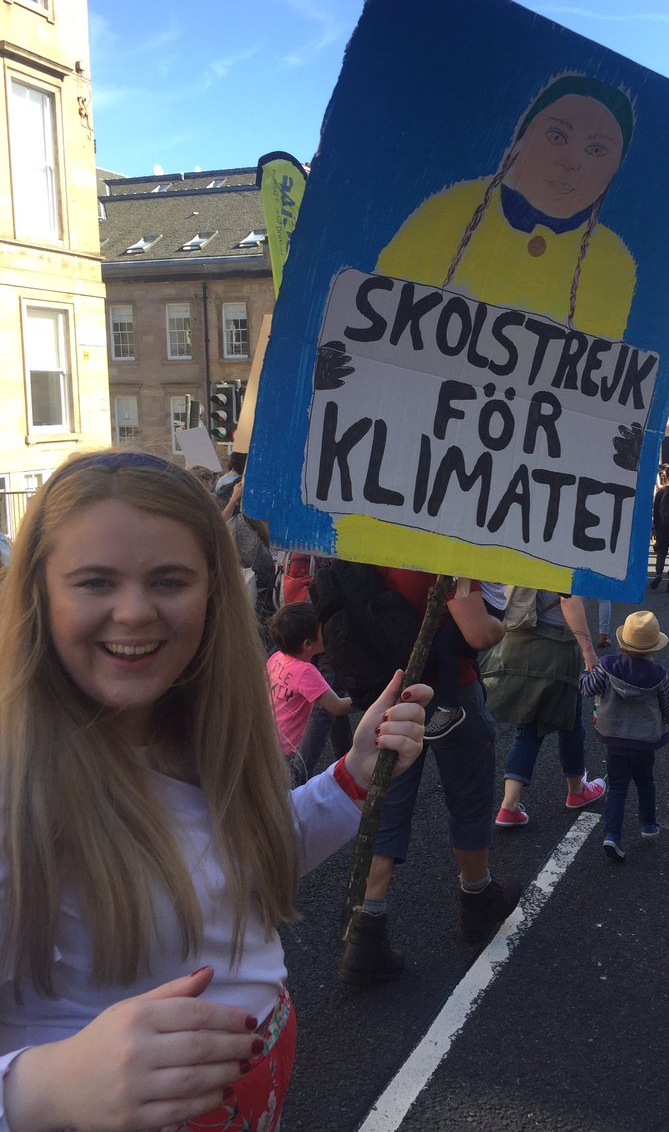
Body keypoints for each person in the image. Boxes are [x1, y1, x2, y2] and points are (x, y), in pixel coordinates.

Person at [0, 449, 429, 1131]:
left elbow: (237, 865)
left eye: (169, 580)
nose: (134, 612)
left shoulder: (204, 731)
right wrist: (43, 1088)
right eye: (95, 582)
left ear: (213, 595)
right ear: (39, 595)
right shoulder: (13, 788)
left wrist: (353, 775)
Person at [339, 570, 520, 988]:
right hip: (447, 688)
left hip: (388, 685)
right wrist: (505, 623)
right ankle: (477, 895)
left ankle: (366, 926)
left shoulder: (380, 544)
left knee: (387, 799)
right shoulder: (448, 551)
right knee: (469, 791)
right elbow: (477, 632)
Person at [376, 74, 636, 340]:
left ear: (614, 170)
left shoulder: (614, 263)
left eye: (596, 150)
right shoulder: (451, 209)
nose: (571, 162)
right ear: (521, 140)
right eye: (557, 137)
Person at [484, 593, 607, 829]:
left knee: (530, 726)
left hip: (519, 641)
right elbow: (568, 598)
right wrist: (588, 650)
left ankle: (510, 804)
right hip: (555, 646)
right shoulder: (569, 566)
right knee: (569, 721)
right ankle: (576, 790)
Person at [578, 611, 669, 862]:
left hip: (614, 736)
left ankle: (612, 835)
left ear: (623, 642)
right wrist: (668, 720)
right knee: (645, 781)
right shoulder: (659, 675)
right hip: (645, 740)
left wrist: (584, 674)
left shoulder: (607, 666)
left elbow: (588, 689)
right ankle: (648, 825)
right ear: (653, 647)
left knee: (617, 786)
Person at [266, 602, 355, 785]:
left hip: (269, 739)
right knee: (291, 786)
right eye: (322, 630)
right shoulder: (306, 672)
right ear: (308, 644)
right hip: (289, 751)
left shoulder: (276, 658)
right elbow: (337, 707)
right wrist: (370, 698)